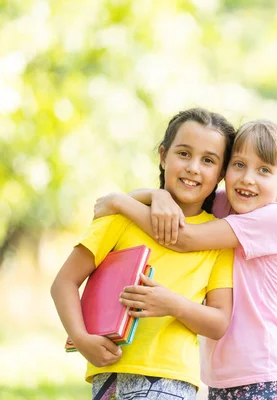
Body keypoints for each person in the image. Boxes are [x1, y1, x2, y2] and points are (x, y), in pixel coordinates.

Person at [94, 119, 277, 399]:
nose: (248, 178)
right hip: (218, 378)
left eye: (264, 170)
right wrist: (156, 194)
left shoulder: (273, 218)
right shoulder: (226, 204)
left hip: (259, 377)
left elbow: (183, 239)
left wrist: (119, 203)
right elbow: (181, 201)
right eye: (239, 165)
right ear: (225, 171)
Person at [50, 107, 237, 399]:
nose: (193, 168)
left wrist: (173, 304)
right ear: (163, 156)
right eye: (184, 154)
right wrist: (81, 338)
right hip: (108, 372)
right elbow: (64, 282)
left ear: (221, 173)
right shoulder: (121, 216)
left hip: (169, 378)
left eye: (208, 160)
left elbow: (219, 322)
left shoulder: (217, 238)